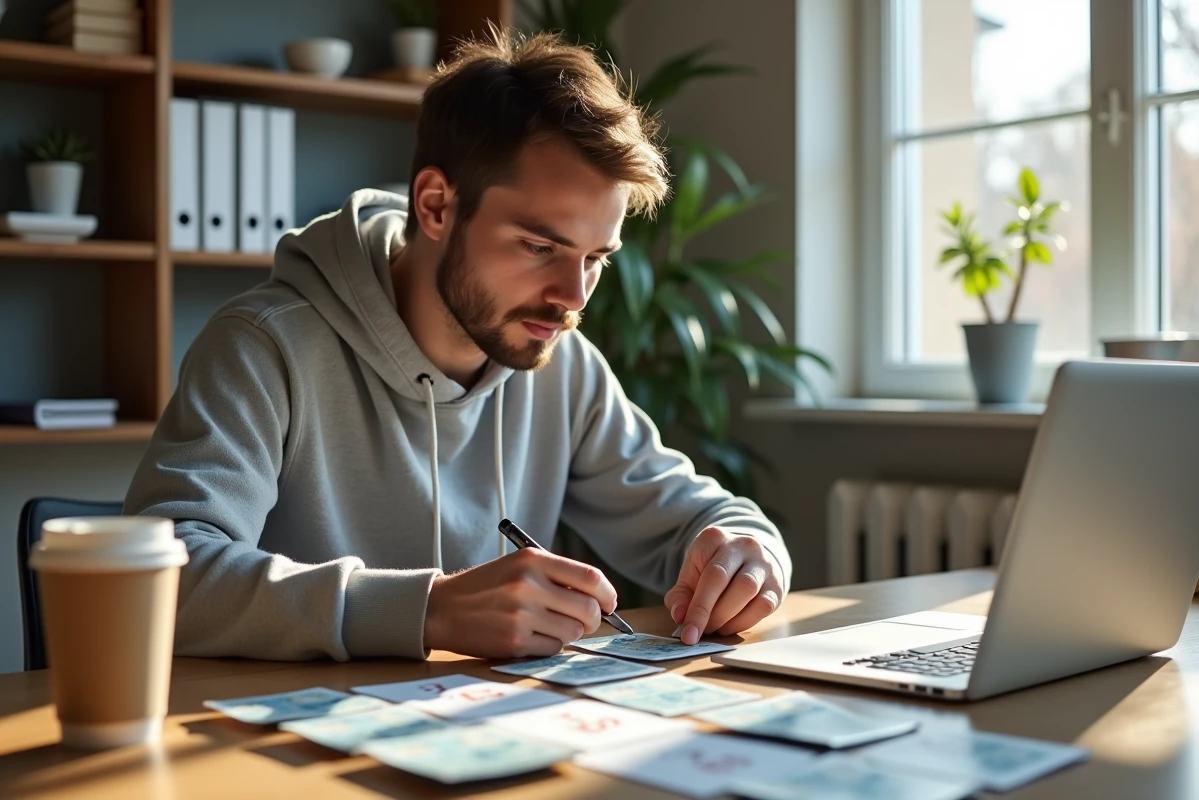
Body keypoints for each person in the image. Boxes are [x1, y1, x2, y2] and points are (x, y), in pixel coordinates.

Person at [124, 28, 792, 662]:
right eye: (540, 247)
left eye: (595, 258)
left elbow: (700, 519)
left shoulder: (563, 365)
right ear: (437, 205)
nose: (574, 297)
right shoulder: (264, 347)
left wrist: (749, 552)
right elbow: (155, 577)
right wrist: (427, 609)